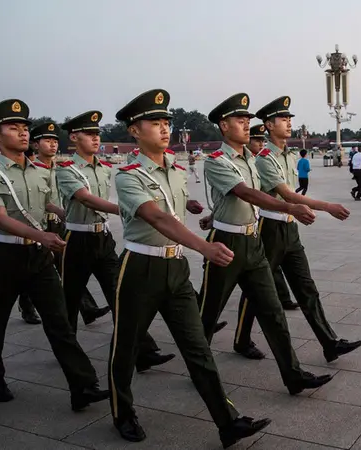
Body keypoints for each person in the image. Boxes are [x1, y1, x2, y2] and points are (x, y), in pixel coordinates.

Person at [111, 89, 269, 444]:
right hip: (140, 269)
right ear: (135, 130)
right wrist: (204, 247)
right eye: (155, 122)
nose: (165, 128)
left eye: (167, 122)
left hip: (176, 269)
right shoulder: (127, 174)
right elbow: (155, 217)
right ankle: (122, 412)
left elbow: (171, 209)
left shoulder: (178, 171)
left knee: (197, 346)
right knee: (126, 346)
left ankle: (228, 423)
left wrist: (195, 208)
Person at [197, 94, 332, 394]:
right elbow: (246, 194)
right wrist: (290, 208)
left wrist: (211, 213)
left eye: (248, 121)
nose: (247, 126)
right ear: (224, 125)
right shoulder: (216, 161)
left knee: (273, 312)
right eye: (240, 121)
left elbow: (263, 193)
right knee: (209, 312)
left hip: (254, 241)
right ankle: (199, 370)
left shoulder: (252, 160)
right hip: (226, 244)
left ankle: (293, 375)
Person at [0, 99, 109, 409]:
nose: (23, 133)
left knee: (59, 323)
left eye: (25, 128)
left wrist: (70, 218)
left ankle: (83, 385)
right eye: (14, 128)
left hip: (38, 257)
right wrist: (42, 235)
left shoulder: (40, 171)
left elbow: (51, 205)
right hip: (3, 255)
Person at [56, 111, 174, 373]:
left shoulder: (104, 167)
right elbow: (85, 198)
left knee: (119, 294)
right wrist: (128, 209)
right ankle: (68, 353)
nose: (96, 139)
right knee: (70, 299)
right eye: (89, 134)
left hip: (103, 239)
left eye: (98, 134)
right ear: (74, 137)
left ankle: (143, 352)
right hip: (76, 239)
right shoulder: (66, 170)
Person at [252, 96, 361, 362]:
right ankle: (241, 339)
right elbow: (287, 195)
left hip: (290, 230)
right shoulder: (265, 158)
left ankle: (330, 343)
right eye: (283, 119)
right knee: (258, 292)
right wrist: (326, 206)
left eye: (290, 119)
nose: (289, 123)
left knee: (306, 289)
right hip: (270, 229)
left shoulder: (289, 155)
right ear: (268, 125)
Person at [16, 122, 111, 327]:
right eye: (47, 140)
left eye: (55, 141)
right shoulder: (33, 170)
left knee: (67, 270)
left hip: (61, 226)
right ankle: (27, 305)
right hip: (41, 227)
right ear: (35, 144)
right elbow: (41, 201)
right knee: (35, 270)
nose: (52, 145)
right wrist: (61, 212)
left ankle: (86, 309)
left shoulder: (61, 168)